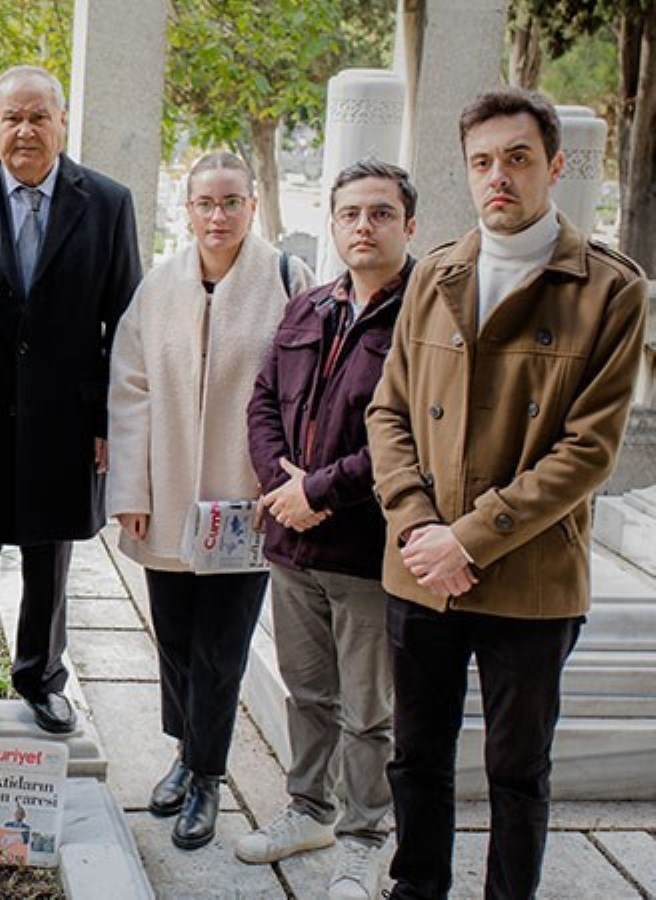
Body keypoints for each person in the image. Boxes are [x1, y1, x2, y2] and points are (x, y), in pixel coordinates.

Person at [366, 88, 647, 899]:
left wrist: (470, 538)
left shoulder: (610, 289)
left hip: (530, 579)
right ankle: (416, 887)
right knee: (415, 754)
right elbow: (387, 411)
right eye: (483, 161)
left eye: (518, 159)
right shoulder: (437, 275)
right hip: (421, 567)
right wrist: (423, 527)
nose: (500, 176)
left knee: (517, 770)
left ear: (554, 167)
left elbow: (588, 449)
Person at [108, 151, 313, 851]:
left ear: (253, 206)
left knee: (222, 646)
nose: (218, 216)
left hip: (244, 499)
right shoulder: (158, 287)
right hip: (166, 495)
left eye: (231, 202)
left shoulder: (286, 281)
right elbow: (129, 391)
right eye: (205, 203)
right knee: (174, 640)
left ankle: (208, 779)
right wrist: (130, 490)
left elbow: (303, 391)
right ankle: (183, 751)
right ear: (187, 211)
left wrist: (284, 482)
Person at [242, 159, 418, 898]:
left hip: (366, 549)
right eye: (350, 213)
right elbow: (262, 403)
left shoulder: (422, 316)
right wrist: (283, 488)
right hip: (293, 544)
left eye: (380, 213)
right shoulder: (309, 306)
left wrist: (318, 490)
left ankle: (364, 835)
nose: (363, 227)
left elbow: (409, 435)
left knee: (369, 710)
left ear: (411, 225)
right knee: (308, 692)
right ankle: (308, 808)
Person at [0, 65, 142, 734]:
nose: (26, 130)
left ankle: (41, 678)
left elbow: (124, 319)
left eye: (39, 117)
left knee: (49, 559)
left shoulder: (109, 203)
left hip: (65, 414)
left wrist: (108, 420)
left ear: (62, 123)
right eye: (13, 118)